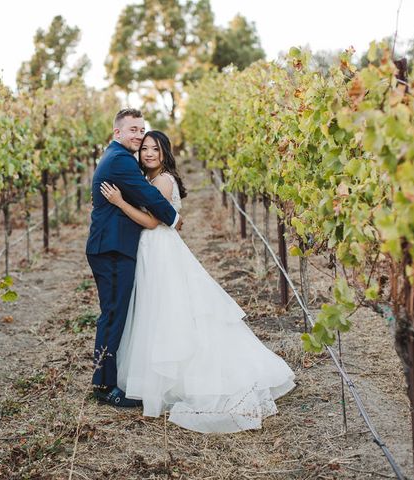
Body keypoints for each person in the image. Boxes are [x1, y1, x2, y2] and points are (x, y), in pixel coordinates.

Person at [99, 130, 295, 433]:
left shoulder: (163, 180)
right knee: (160, 311)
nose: (148, 153)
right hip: (154, 249)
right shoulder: (152, 179)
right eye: (145, 149)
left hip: (160, 248)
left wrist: (120, 202)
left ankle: (172, 377)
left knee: (167, 310)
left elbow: (153, 221)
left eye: (155, 149)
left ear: (165, 153)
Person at [86, 109, 183, 407]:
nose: (139, 135)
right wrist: (174, 217)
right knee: (113, 314)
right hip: (112, 248)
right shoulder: (120, 160)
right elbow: (148, 195)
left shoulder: (118, 158)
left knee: (116, 313)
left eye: (141, 129)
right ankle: (104, 385)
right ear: (117, 133)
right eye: (132, 130)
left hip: (115, 245)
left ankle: (111, 378)